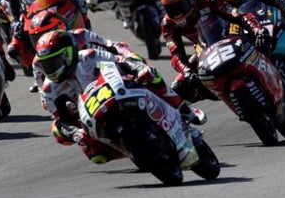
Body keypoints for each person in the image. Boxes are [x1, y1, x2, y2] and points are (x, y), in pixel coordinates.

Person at [35, 30, 205, 165]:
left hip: (115, 81)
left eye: (54, 62)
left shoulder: (88, 53)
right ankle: (132, 150)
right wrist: (75, 133)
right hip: (90, 108)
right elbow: (59, 120)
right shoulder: (50, 88)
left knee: (148, 74)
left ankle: (184, 110)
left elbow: (115, 52)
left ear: (68, 53)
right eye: (46, 64)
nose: (50, 69)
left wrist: (137, 67)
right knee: (94, 154)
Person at [160, 0, 267, 102]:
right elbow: (176, 54)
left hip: (231, 34)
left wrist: (257, 29)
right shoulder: (168, 24)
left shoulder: (209, 0)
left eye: (180, 7)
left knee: (265, 41)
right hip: (204, 48)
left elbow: (237, 14)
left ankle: (277, 71)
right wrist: (187, 71)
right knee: (178, 88)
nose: (177, 13)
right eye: (171, 10)